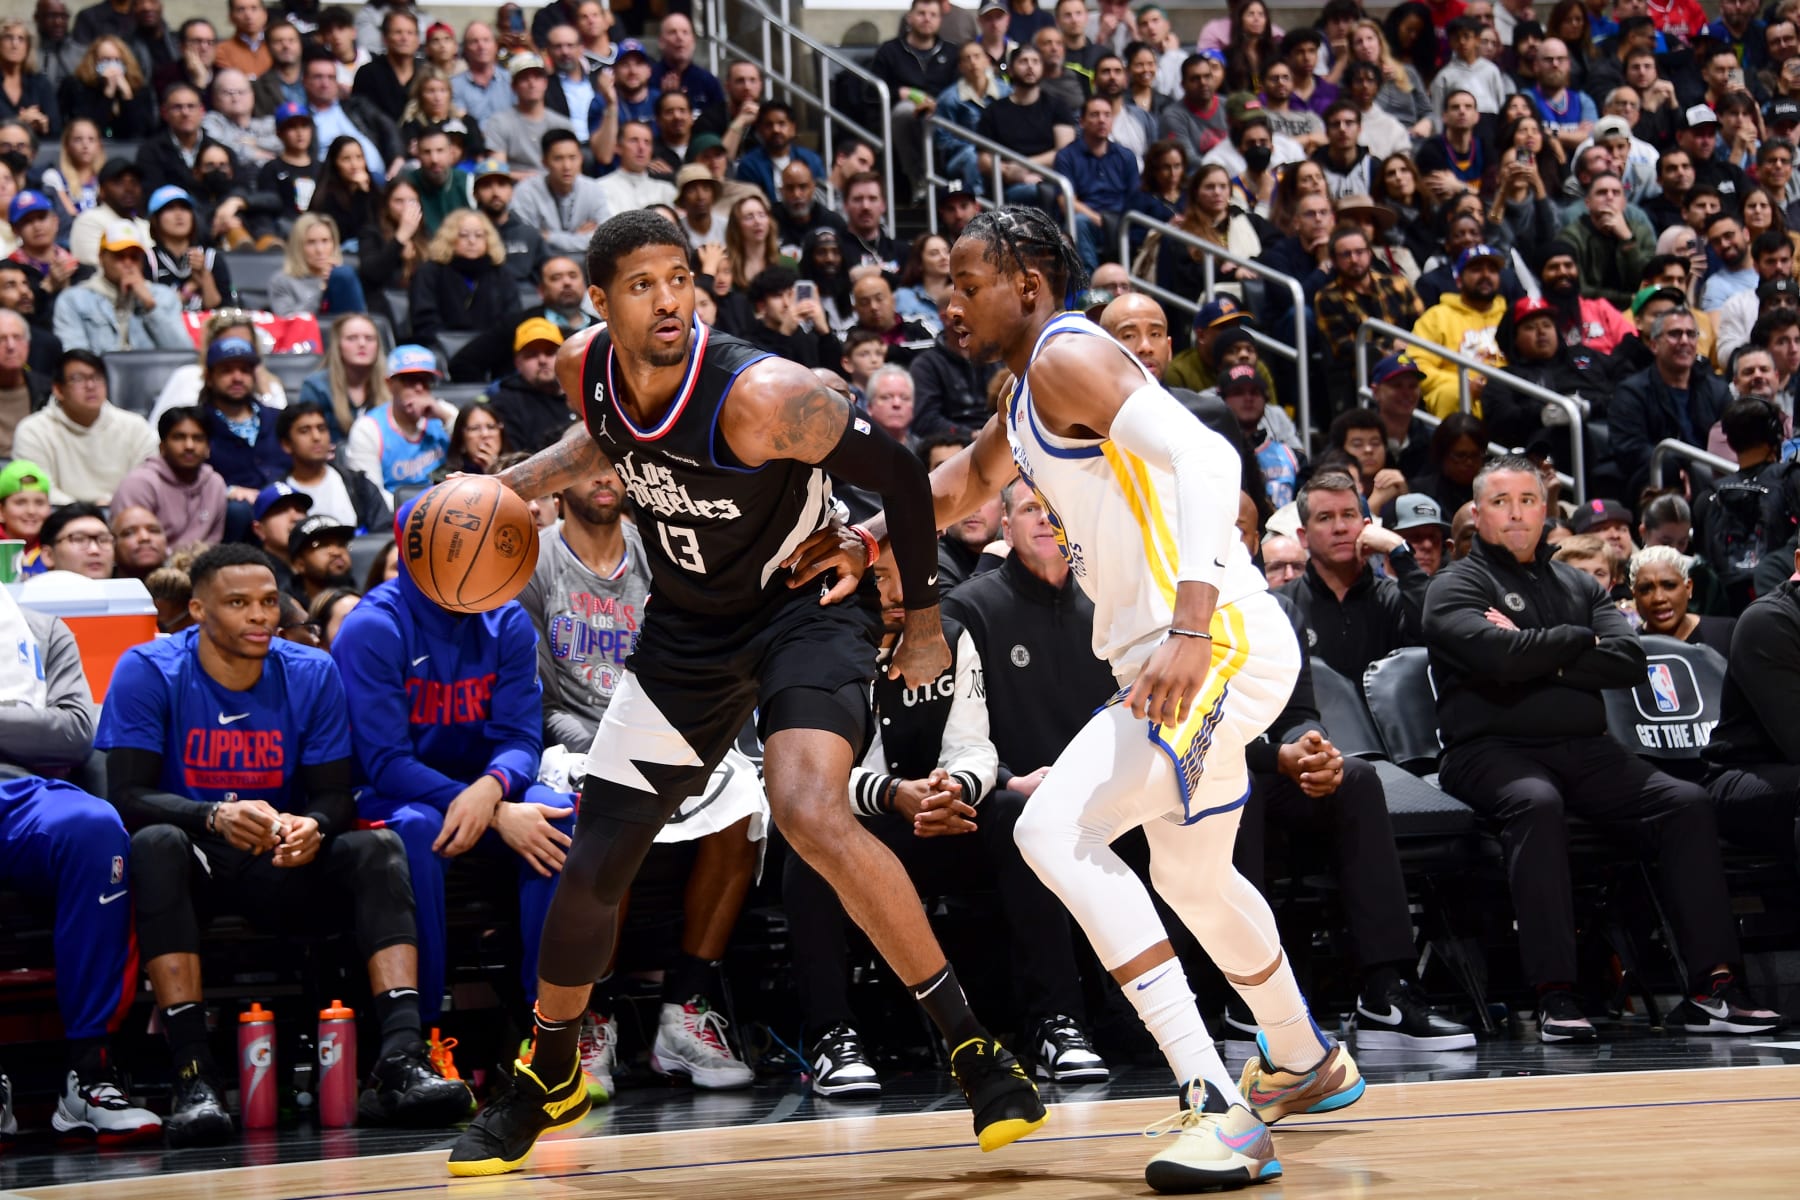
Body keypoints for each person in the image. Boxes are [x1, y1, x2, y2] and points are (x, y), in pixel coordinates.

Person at [445, 210, 1045, 1177]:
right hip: (687, 631)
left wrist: (923, 619)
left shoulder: (761, 395)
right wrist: (500, 490)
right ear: (597, 303)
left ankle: (974, 1048)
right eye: (643, 284)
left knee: (809, 810)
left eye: (680, 276)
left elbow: (896, 470)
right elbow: (600, 447)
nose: (670, 298)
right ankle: (548, 1068)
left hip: (805, 609)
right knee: (597, 853)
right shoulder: (583, 369)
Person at [874, 203, 1372, 1188]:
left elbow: (1210, 457)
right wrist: (862, 537)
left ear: (1029, 285)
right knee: (1190, 877)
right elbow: (953, 489)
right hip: (1193, 648)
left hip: (1208, 639)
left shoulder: (1067, 355)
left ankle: (1215, 1105)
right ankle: (1304, 1061)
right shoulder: (1026, 390)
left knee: (1051, 830)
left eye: (967, 285)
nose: (948, 303)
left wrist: (1189, 626)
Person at [98, 543, 472, 1146]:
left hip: (283, 860)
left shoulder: (311, 670)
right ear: (197, 610)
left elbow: (335, 793)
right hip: (197, 866)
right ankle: (192, 1072)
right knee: (156, 845)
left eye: (269, 602)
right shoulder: (149, 668)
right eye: (239, 603)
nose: (260, 616)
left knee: (379, 850)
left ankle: (402, 1060)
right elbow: (127, 795)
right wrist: (213, 815)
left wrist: (314, 827)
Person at [1423, 455, 1785, 1041]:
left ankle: (1712, 988)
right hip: (1488, 750)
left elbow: (1627, 661)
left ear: (1545, 509)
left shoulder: (1579, 582)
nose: (1515, 513)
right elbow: (1494, 658)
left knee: (1686, 802)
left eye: (1527, 500)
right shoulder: (1454, 584)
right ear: (1478, 513)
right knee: (1536, 803)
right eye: (1500, 502)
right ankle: (1555, 992)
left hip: (1586, 747)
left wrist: (1534, 653)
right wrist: (1573, 642)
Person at [518, 444, 764, 1098]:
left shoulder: (658, 548)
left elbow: (711, 652)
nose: (603, 476)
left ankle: (686, 1009)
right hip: (572, 741)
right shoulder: (536, 563)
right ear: (557, 483)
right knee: (612, 810)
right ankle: (589, 1016)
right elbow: (538, 699)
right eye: (585, 466)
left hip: (668, 728)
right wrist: (613, 746)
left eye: (611, 464)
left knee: (745, 802)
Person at [0, 581, 164, 1145]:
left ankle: (88, 1073)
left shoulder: (41, 628)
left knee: (96, 829)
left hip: (27, 791)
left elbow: (72, 733)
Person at [1278, 471, 1428, 680]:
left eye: (1348, 515)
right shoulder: (1282, 605)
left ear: (1367, 526)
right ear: (1304, 537)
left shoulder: (1393, 598)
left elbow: (1433, 634)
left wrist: (1398, 550)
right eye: (1325, 518)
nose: (1340, 528)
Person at [11, 349, 157, 506]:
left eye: (97, 377)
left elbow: (146, 484)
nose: (90, 385)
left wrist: (114, 505)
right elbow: (37, 490)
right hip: (59, 519)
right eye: (78, 379)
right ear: (58, 390)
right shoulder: (33, 430)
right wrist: (88, 512)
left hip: (124, 515)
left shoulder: (135, 427)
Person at [1611, 305, 1732, 492]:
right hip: (1657, 481)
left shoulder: (1717, 390)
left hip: (1712, 478)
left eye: (1691, 334)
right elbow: (1630, 450)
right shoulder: (1631, 392)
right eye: (1675, 334)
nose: (1684, 341)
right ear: (1654, 345)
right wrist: (1678, 468)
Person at [870, 0, 960, 202]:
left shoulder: (952, 52)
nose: (927, 18)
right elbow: (871, 93)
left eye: (932, 14)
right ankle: (919, 180)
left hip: (942, 116)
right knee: (904, 110)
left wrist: (938, 104)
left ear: (940, 20)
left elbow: (959, 90)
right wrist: (901, 93)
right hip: (903, 121)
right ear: (909, 17)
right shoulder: (890, 51)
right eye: (921, 13)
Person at [54, 222, 187, 353]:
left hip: (153, 374)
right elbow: (73, 358)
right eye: (119, 256)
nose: (128, 263)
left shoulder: (163, 296)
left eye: (134, 257)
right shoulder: (73, 300)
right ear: (101, 257)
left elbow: (184, 354)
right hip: (101, 373)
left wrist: (150, 306)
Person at [1412, 243, 1508, 416]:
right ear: (1458, 280)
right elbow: (1417, 364)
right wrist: (1465, 385)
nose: (1486, 275)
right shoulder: (1437, 316)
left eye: (1492, 270)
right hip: (1457, 396)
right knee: (1450, 393)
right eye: (1476, 269)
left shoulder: (1509, 316)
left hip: (1504, 396)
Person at [112, 406, 227, 550]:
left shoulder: (215, 484)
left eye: (198, 438)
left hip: (200, 567)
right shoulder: (139, 484)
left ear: (208, 448)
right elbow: (130, 545)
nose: (189, 446)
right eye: (179, 437)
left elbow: (213, 540)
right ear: (162, 447)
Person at [344, 345, 449, 499]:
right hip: (393, 516)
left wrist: (445, 417)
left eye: (426, 380)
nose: (419, 387)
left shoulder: (444, 414)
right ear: (389, 384)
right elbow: (372, 497)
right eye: (410, 380)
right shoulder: (367, 429)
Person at [408, 208, 519, 349]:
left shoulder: (502, 274)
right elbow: (424, 321)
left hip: (493, 352)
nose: (472, 241)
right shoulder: (429, 272)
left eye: (479, 235)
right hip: (442, 349)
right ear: (449, 238)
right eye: (463, 235)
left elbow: (511, 319)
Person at [278, 400, 390, 532]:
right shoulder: (278, 497)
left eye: (321, 428)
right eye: (304, 431)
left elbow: (385, 534)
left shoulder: (358, 484)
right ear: (286, 444)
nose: (316, 437)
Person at [489, 318, 580, 452]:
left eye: (550, 352)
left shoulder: (583, 393)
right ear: (518, 363)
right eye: (531, 354)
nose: (542, 360)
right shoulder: (505, 404)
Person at [1628, 544, 1735, 654]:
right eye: (1646, 589)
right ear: (1635, 596)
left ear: (1688, 588)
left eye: (1669, 586)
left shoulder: (1725, 634)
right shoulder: (1628, 650)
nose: (1659, 598)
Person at [480, 52, 571, 178]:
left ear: (545, 82)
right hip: (516, 190)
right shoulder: (499, 122)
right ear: (513, 86)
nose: (532, 83)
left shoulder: (562, 124)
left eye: (537, 77)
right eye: (524, 78)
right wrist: (535, 180)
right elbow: (497, 171)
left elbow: (571, 167)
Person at [270, 212, 366, 319]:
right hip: (306, 334)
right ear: (298, 247)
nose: (320, 250)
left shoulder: (344, 277)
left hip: (343, 333)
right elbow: (287, 321)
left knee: (343, 275)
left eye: (325, 241)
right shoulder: (281, 281)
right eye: (311, 242)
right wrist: (321, 289)